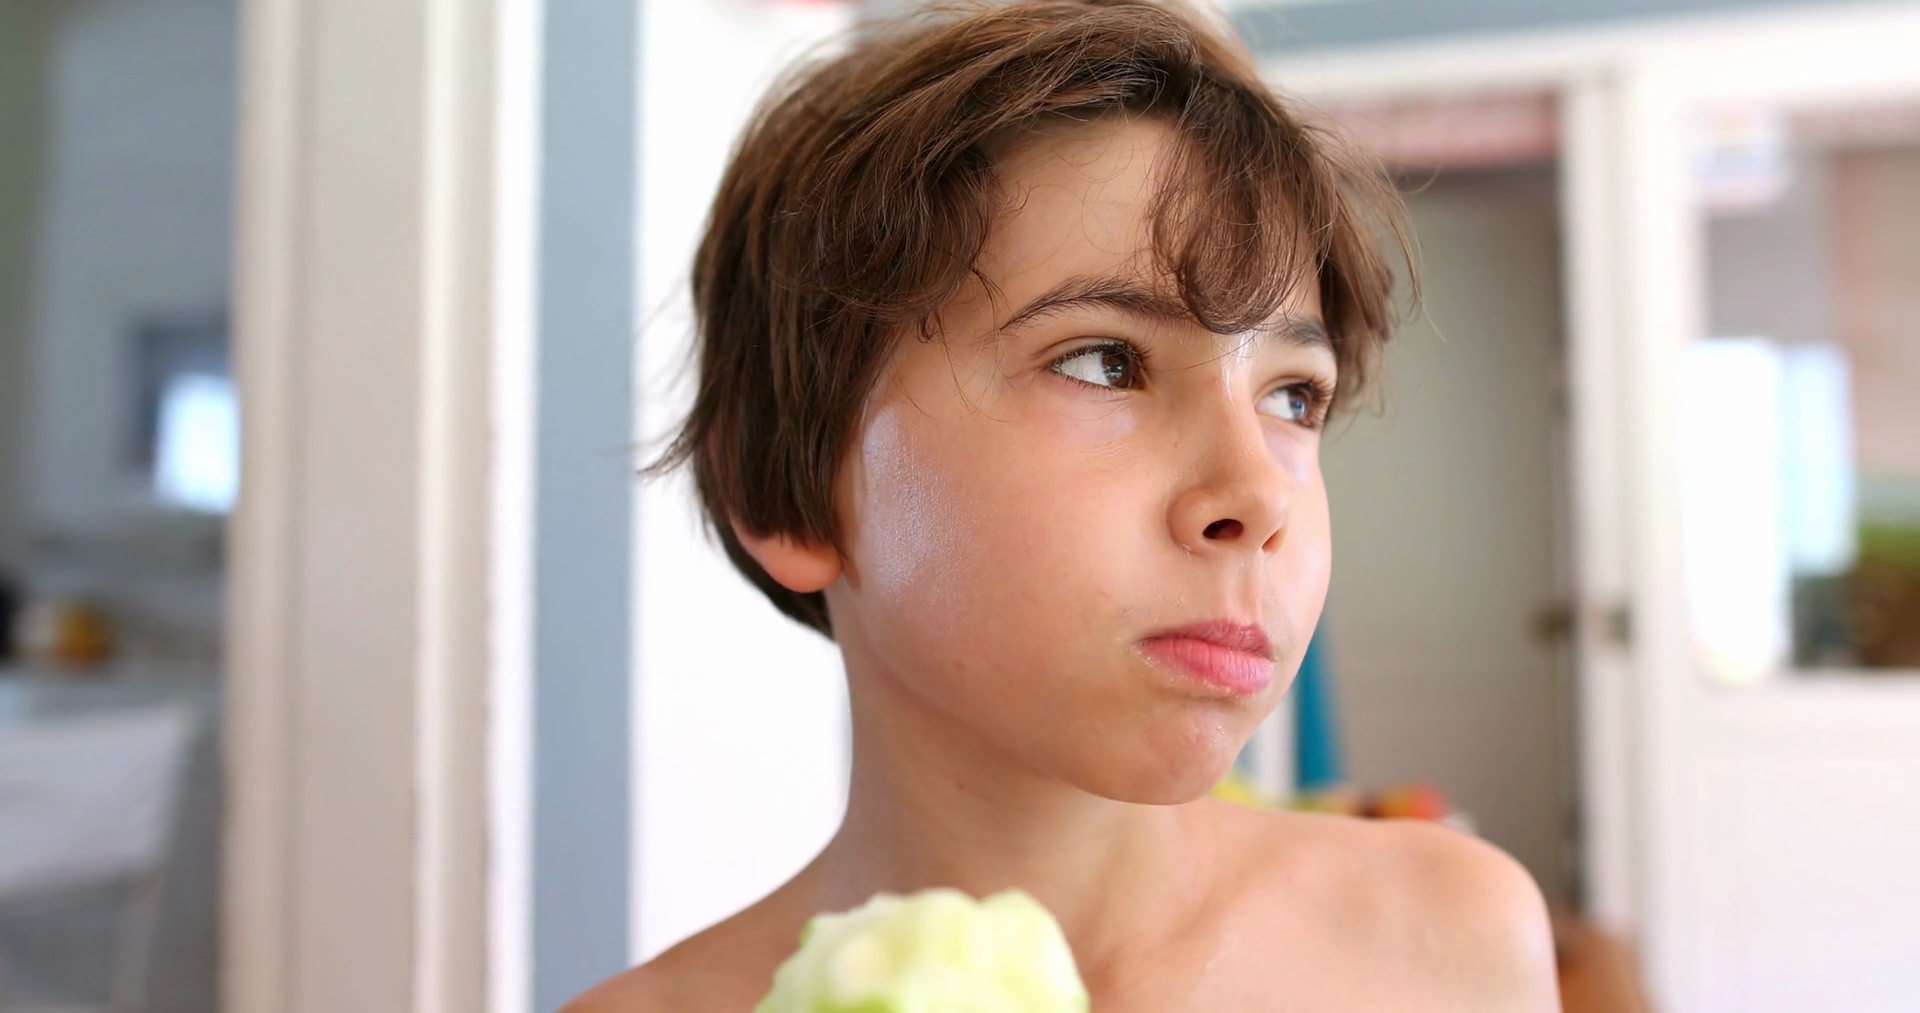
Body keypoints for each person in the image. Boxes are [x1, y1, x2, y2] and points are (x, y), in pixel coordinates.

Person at [570, 1, 1559, 1008]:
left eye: (1293, 396)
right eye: (1104, 362)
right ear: (786, 486)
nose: (1260, 495)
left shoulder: (1447, 944)